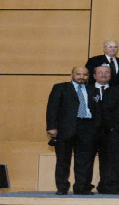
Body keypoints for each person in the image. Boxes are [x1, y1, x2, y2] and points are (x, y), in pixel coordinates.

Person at [46, 67, 100, 195]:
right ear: (72, 74)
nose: (81, 77)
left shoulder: (93, 89)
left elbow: (98, 110)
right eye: (78, 74)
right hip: (66, 128)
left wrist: (96, 127)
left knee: (85, 161)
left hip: (87, 127)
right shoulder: (60, 87)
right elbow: (52, 108)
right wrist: (51, 127)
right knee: (63, 160)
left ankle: (81, 188)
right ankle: (62, 187)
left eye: (85, 75)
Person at [89, 66, 111, 194]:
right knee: (86, 160)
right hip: (90, 132)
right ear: (94, 75)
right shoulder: (87, 90)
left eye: (107, 72)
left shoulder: (117, 91)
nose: (103, 75)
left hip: (109, 133)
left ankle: (105, 186)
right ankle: (84, 185)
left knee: (108, 161)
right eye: (100, 73)